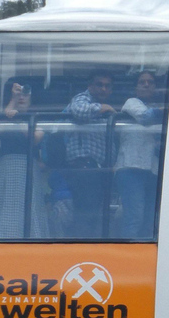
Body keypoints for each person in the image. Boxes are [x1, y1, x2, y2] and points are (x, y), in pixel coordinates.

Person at [0, 81, 47, 239]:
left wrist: (18, 119)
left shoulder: (37, 118)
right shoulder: (8, 112)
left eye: (26, 94)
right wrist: (12, 101)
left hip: (28, 167)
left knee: (30, 206)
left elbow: (35, 138)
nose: (22, 97)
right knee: (5, 206)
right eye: (20, 94)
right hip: (7, 166)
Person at [63, 70, 116, 237]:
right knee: (84, 215)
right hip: (84, 167)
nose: (103, 89)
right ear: (90, 86)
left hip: (99, 171)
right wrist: (102, 107)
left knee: (95, 216)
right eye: (99, 84)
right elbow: (78, 110)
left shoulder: (103, 112)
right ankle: (80, 250)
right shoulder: (83, 98)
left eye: (107, 86)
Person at [115, 71, 164, 238]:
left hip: (152, 170)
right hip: (130, 167)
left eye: (150, 82)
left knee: (150, 220)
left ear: (156, 87)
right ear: (136, 87)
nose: (146, 84)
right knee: (134, 217)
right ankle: (129, 257)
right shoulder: (132, 103)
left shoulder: (159, 107)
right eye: (142, 82)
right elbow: (146, 117)